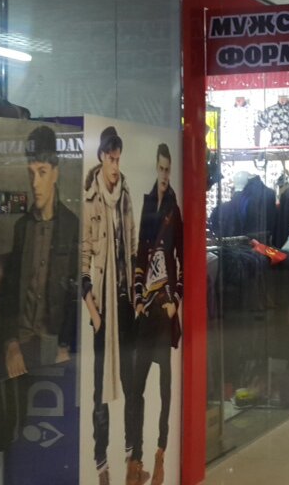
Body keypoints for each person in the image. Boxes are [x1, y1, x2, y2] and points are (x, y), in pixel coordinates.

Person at [81, 126, 141, 485]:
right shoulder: (91, 197)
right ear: (102, 156)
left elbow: (132, 245)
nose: (116, 166)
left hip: (124, 300)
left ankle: (132, 456)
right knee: (99, 388)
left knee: (131, 381)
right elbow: (83, 259)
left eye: (119, 159)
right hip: (103, 305)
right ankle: (101, 463)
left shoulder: (126, 192)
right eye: (112, 158)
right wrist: (95, 314)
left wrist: (135, 296)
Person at [0, 125, 79, 379]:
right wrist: (11, 343)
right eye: (31, 173)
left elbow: (76, 293)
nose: (35, 183)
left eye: (42, 172)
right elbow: (8, 290)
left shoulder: (72, 226)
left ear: (55, 173)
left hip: (54, 342)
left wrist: (66, 345)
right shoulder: (22, 227)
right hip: (22, 341)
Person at [128, 144, 182, 485]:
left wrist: (176, 299)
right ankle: (136, 459)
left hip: (165, 306)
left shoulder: (175, 208)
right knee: (136, 387)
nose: (164, 175)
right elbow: (139, 253)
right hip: (146, 309)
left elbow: (182, 256)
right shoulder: (149, 203)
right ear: (156, 168)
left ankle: (160, 453)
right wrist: (137, 297)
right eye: (160, 169)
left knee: (164, 386)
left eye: (167, 169)